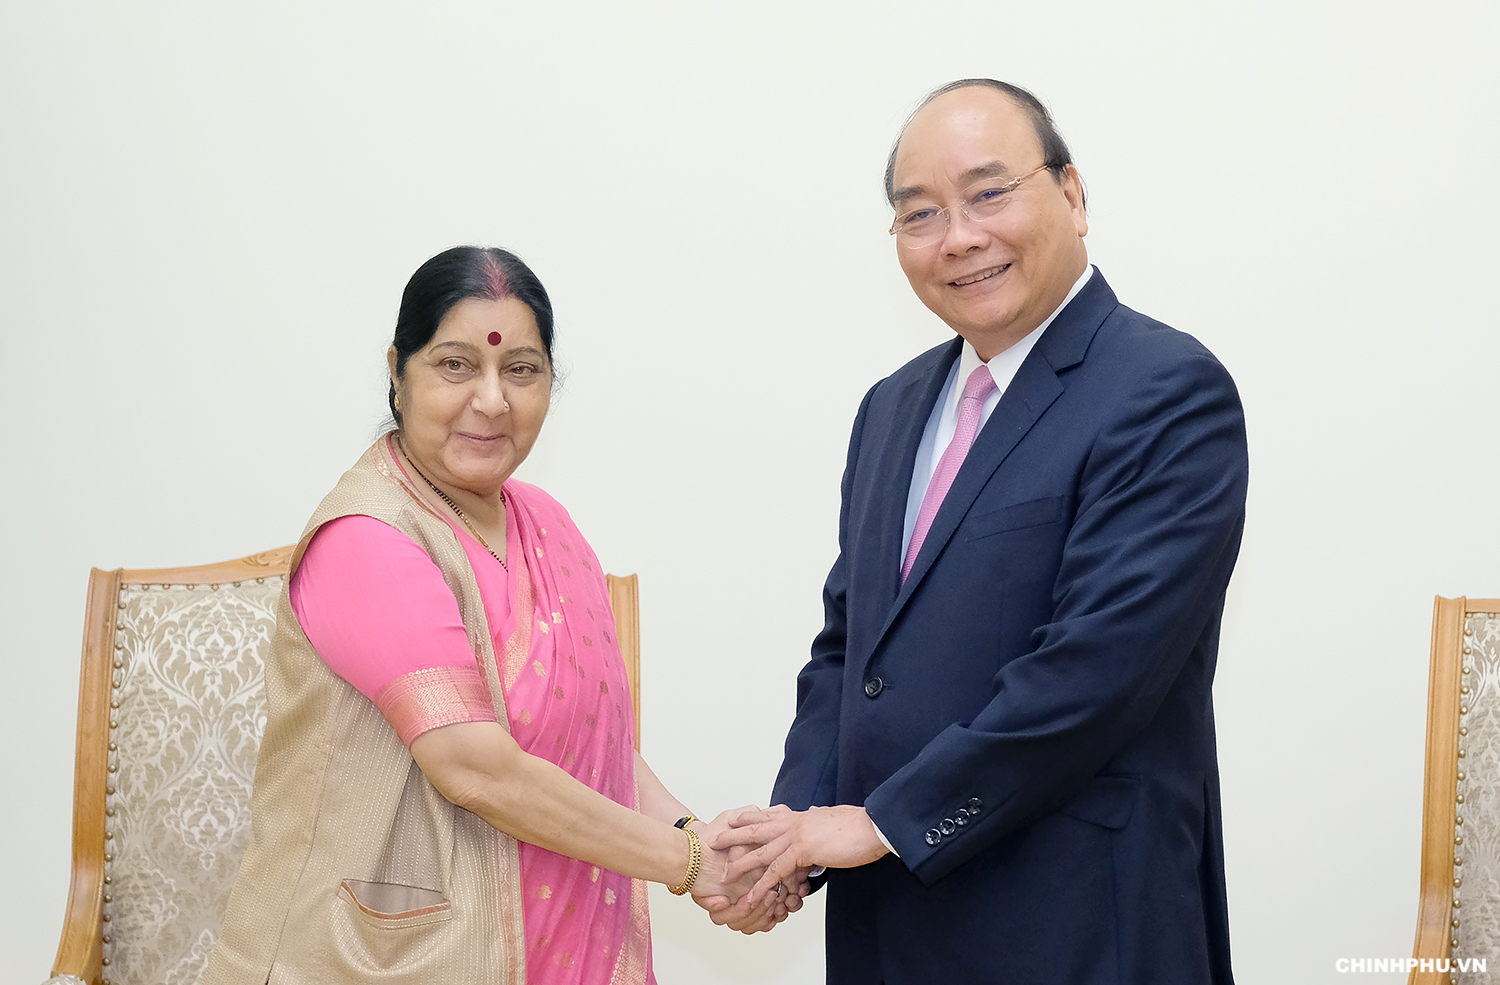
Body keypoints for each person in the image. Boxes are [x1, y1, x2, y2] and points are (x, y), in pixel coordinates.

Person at [718, 80, 1248, 983]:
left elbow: (1094, 673)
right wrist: (792, 835)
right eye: (919, 212)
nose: (958, 236)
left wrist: (883, 821)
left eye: (989, 193)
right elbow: (850, 650)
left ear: (1073, 195)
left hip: (1075, 925)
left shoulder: (1165, 390)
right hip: (887, 927)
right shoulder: (891, 408)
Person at [203, 246, 791, 985]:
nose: (491, 400)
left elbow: (589, 739)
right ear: (397, 373)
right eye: (455, 365)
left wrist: (694, 833)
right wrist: (690, 862)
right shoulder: (367, 539)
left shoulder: (546, 524)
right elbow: (478, 768)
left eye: (521, 369)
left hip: (548, 935)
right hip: (386, 957)